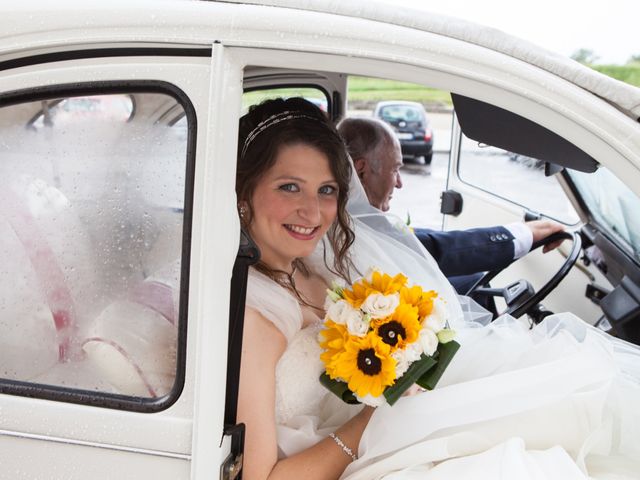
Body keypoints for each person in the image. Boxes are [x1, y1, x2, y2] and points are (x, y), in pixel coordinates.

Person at [236, 97, 640, 479]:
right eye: (289, 187)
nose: (313, 211)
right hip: (341, 452)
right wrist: (371, 421)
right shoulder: (258, 318)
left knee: (554, 405)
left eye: (326, 190)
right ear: (243, 194)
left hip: (370, 431)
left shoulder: (312, 265)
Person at [337, 116, 565, 294]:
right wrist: (525, 233)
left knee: (472, 282)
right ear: (361, 170)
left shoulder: (344, 211)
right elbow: (438, 249)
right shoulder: (355, 220)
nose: (399, 183)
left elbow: (418, 239)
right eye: (395, 169)